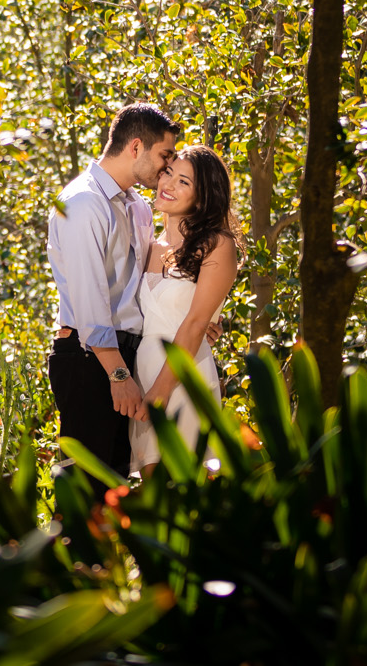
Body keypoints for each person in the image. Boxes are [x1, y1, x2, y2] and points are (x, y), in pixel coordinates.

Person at [46, 104, 180, 483]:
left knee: (117, 487)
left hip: (128, 356)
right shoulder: (83, 204)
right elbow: (90, 303)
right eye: (164, 156)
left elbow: (142, 287)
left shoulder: (137, 206)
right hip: (90, 361)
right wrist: (118, 374)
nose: (167, 168)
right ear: (136, 147)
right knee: (85, 489)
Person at [129, 145, 242, 476]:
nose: (168, 185)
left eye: (184, 182)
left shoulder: (217, 244)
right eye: (168, 173)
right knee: (151, 492)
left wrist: (160, 392)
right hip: (143, 371)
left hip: (182, 375)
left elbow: (194, 324)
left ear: (203, 197)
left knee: (185, 487)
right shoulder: (149, 243)